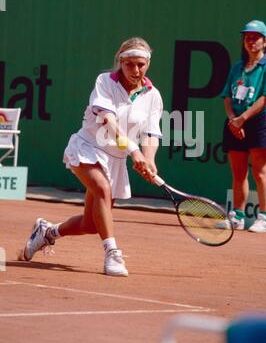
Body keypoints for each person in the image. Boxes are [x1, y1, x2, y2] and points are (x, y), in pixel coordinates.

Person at [18, 37, 163, 276]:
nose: (136, 70)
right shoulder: (105, 81)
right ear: (121, 61)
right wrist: (134, 152)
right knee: (102, 189)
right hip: (88, 148)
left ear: (148, 63)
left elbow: (150, 133)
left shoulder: (153, 95)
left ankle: (47, 232)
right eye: (130, 64)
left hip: (116, 159)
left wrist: (149, 159)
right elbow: (109, 122)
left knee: (90, 225)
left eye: (141, 64)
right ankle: (112, 254)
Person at [221, 20, 266, 233]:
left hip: (258, 122)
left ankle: (263, 218)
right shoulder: (237, 66)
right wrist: (232, 119)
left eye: (256, 38)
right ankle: (237, 216)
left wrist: (242, 119)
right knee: (238, 173)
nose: (251, 41)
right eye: (248, 38)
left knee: (261, 172)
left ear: (265, 41)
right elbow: (227, 95)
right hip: (234, 121)